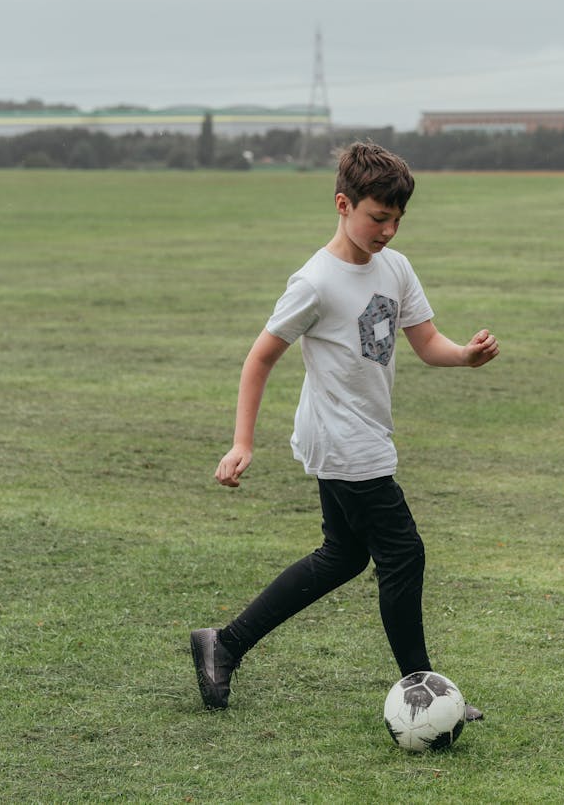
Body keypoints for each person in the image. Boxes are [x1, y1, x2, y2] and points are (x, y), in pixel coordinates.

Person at [191, 142, 499, 718]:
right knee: (403, 554)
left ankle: (224, 643)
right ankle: (423, 693)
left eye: (396, 220)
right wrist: (242, 442)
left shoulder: (395, 267)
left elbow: (427, 343)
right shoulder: (314, 282)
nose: (387, 231)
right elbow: (259, 358)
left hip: (366, 431)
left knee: (342, 557)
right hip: (339, 437)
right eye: (378, 218)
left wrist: (464, 356)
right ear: (343, 204)